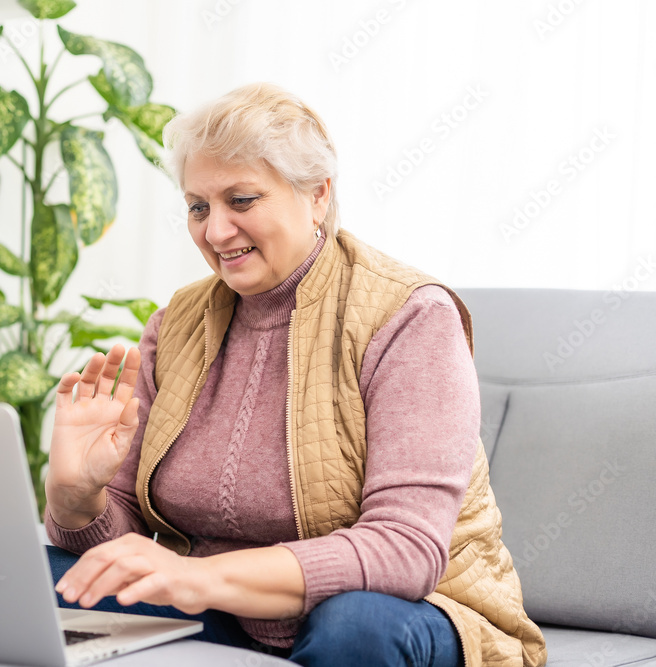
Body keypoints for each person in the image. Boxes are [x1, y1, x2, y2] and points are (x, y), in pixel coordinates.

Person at [42, 83, 547, 667]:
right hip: (224, 611)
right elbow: (124, 546)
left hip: (415, 610)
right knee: (35, 578)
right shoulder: (176, 324)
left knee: (353, 626)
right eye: (198, 207)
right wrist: (77, 498)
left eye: (242, 200)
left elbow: (405, 550)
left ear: (317, 195)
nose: (215, 231)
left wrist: (198, 577)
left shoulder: (410, 316)